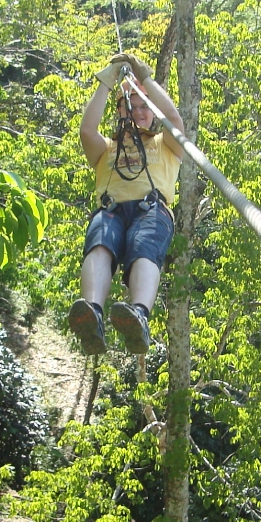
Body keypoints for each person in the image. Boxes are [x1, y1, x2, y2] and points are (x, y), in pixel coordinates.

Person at [68, 53, 185, 354]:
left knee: (143, 246)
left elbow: (174, 120)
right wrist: (107, 81)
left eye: (145, 106)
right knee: (100, 244)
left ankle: (140, 316)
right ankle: (91, 312)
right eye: (131, 106)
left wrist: (144, 78)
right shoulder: (107, 149)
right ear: (120, 112)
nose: (139, 112)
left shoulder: (164, 144)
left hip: (152, 210)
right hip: (112, 210)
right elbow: (86, 130)